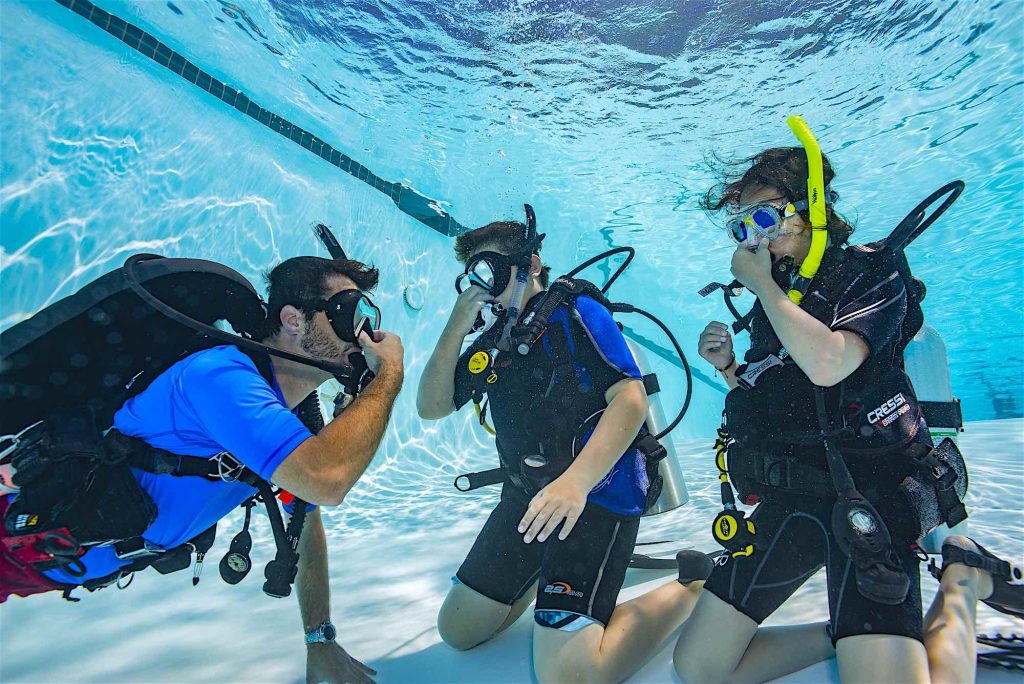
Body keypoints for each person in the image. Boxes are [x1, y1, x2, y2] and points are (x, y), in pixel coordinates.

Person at [673, 143, 1023, 683]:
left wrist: (763, 287)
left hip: (872, 497)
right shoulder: (780, 294)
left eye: (764, 217)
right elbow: (780, 397)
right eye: (741, 227)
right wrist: (726, 368)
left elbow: (830, 365)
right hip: (798, 496)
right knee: (698, 667)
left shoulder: (870, 274)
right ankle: (850, 634)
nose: (755, 238)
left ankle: (963, 578)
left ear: (811, 208)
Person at [1, 249, 404, 684]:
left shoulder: (287, 419)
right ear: (293, 318)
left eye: (369, 316)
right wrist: (389, 378)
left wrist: (319, 639)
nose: (364, 335)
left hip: (55, 562)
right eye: (349, 314)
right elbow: (327, 481)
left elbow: (305, 521)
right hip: (16, 542)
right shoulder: (221, 378)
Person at [417, 215, 711, 683]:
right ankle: (551, 571)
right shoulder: (495, 343)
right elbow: (432, 406)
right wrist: (456, 325)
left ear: (531, 265)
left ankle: (693, 585)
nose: (482, 288)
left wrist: (574, 484)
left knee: (569, 676)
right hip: (530, 500)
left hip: (596, 496)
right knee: (458, 630)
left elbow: (630, 397)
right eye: (472, 276)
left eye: (490, 271)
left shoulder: (575, 311)